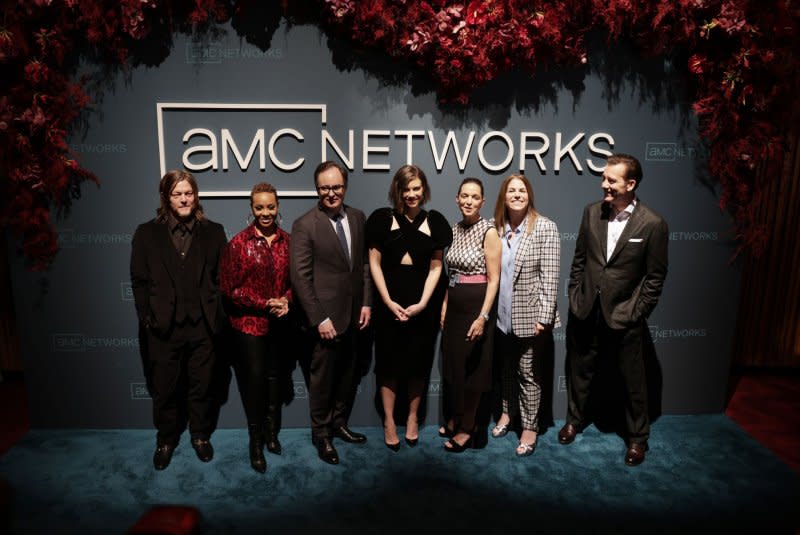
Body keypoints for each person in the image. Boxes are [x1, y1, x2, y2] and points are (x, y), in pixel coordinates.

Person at [558, 153, 668, 466]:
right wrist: (575, 294)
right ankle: (574, 421)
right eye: (604, 178)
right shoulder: (591, 212)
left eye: (611, 180)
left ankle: (638, 439)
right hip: (586, 309)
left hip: (625, 315)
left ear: (630, 184)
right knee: (580, 372)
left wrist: (637, 311)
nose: (603, 184)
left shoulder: (653, 224)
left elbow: (655, 277)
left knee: (633, 380)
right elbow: (580, 259)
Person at [130, 169, 228, 470]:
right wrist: (148, 317)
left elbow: (222, 278)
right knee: (165, 387)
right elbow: (139, 281)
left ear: (195, 196)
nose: (184, 199)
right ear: (166, 197)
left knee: (202, 385)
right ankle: (166, 439)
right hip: (163, 327)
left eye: (189, 193)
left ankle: (200, 435)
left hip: (203, 326)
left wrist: (216, 315)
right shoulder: (146, 233)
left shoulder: (214, 231)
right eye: (177, 194)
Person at [290, 161, 372, 465]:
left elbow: (362, 266)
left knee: (347, 376)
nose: (331, 193)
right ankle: (321, 435)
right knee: (322, 380)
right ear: (317, 189)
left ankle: (339, 424)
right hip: (324, 321)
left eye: (336, 186)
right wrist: (319, 318)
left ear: (345, 186)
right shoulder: (305, 224)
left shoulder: (358, 217)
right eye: (324, 187)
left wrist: (366, 302)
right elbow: (300, 277)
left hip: (353, 316)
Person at [366, 165, 452, 451]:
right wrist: (388, 302)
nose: (412, 194)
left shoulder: (436, 222)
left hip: (421, 311)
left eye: (417, 188)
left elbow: (436, 267)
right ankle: (390, 421)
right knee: (388, 367)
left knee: (418, 367)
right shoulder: (382, 219)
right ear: (398, 190)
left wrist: (424, 303)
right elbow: (374, 265)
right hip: (388, 309)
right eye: (407, 189)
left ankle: (413, 418)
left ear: (424, 189)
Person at [219, 182, 291, 473]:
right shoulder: (238, 244)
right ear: (251, 208)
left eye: (270, 206)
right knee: (256, 382)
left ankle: (272, 434)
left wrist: (286, 301)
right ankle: (256, 441)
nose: (265, 212)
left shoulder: (288, 240)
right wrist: (265, 304)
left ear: (277, 206)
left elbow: (296, 284)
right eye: (259, 207)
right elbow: (229, 289)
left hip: (281, 325)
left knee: (275, 379)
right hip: (249, 326)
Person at [490, 174, 561, 457]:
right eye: (511, 191)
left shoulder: (545, 227)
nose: (517, 194)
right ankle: (507, 414)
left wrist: (544, 317)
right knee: (506, 368)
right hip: (501, 316)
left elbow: (551, 276)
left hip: (530, 317)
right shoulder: (496, 228)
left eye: (522, 190)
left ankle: (530, 427)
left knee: (528, 373)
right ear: (503, 197)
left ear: (529, 195)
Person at [440, 177, 502, 452]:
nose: (468, 201)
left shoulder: (489, 231)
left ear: (482, 202)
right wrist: (444, 306)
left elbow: (494, 279)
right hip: (454, 306)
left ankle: (469, 426)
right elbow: (449, 273)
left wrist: (483, 316)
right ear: (457, 198)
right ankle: (456, 418)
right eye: (464, 195)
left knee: (474, 370)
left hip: (476, 307)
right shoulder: (453, 229)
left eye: (474, 197)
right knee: (455, 367)